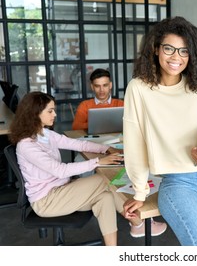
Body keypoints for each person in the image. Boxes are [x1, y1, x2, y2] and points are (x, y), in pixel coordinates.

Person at [122, 16, 197, 246]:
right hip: (179, 183)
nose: (176, 57)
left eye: (184, 51)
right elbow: (134, 143)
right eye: (169, 49)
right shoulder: (139, 88)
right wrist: (139, 192)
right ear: (156, 49)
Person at [8, 92, 167, 245]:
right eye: (50, 111)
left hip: (62, 190)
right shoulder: (27, 145)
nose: (55, 114)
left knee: (105, 198)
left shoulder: (44, 134)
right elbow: (59, 170)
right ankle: (139, 223)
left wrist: (105, 149)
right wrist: (98, 161)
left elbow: (76, 144)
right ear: (35, 113)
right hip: (47, 201)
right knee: (103, 179)